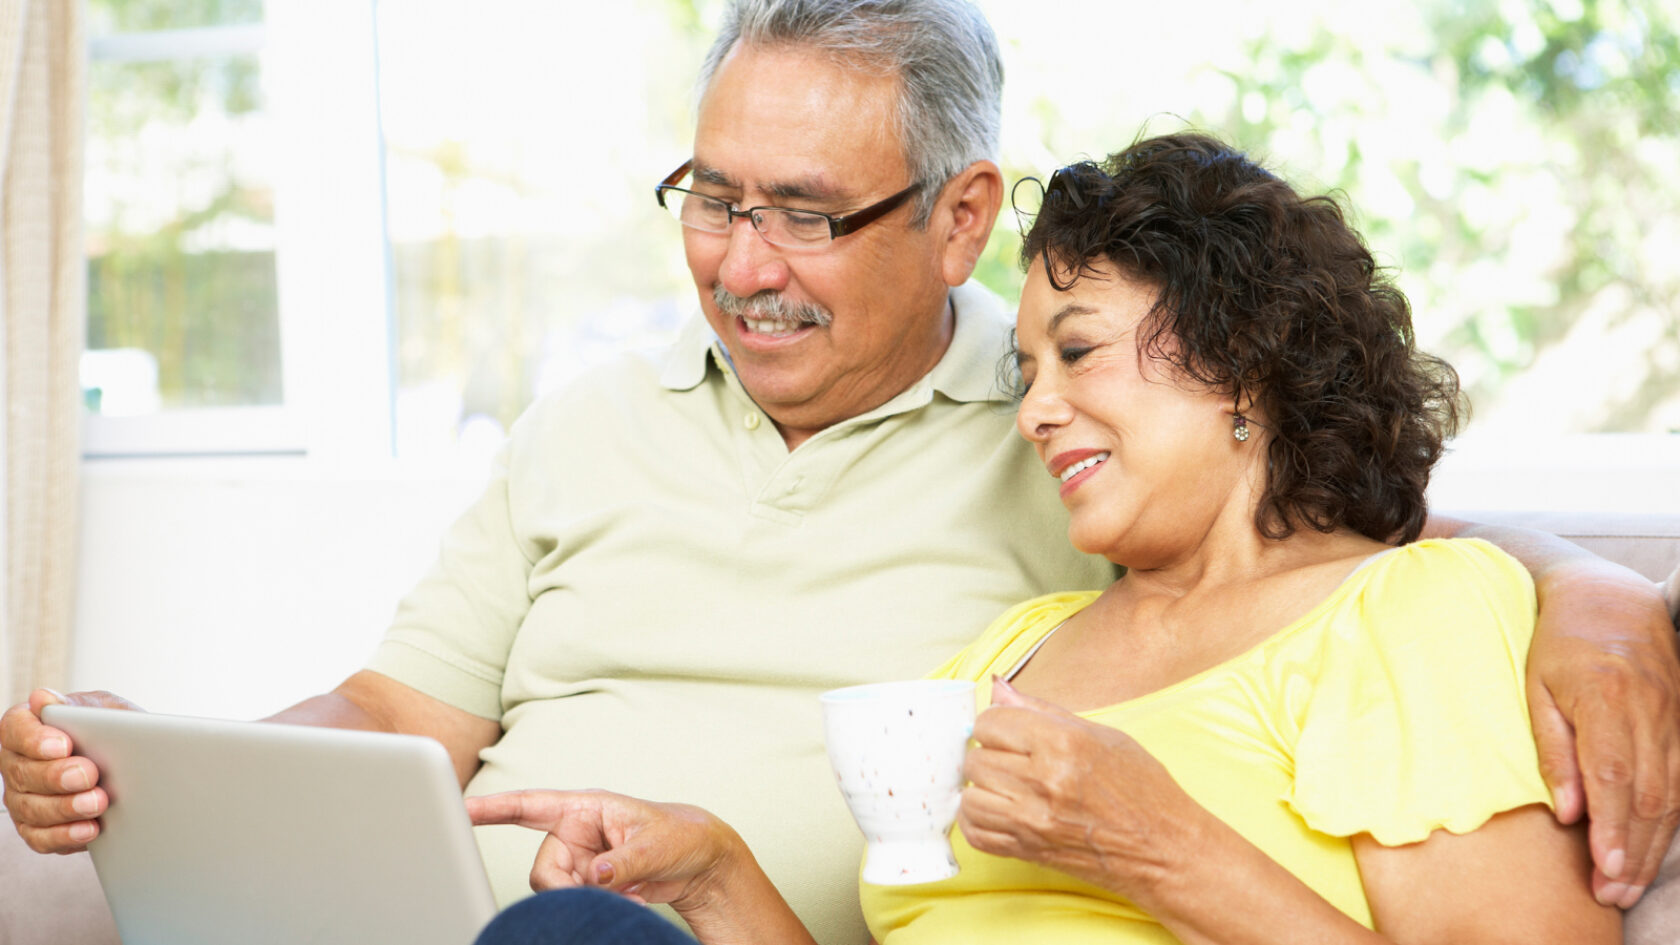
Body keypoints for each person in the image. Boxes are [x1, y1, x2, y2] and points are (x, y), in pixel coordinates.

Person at [1, 2, 1676, 942]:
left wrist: (1590, 586)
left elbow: (1340, 550)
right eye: (712, 198)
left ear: (959, 216)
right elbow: (391, 718)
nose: (743, 261)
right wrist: (149, 766)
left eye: (807, 210)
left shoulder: (1112, 495)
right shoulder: (980, 641)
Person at [461, 132, 1625, 944]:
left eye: (1078, 351)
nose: (1034, 409)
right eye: (1025, 372)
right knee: (571, 931)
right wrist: (713, 875)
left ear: (1245, 365)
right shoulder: (1015, 652)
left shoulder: (1402, 611)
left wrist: (1150, 844)